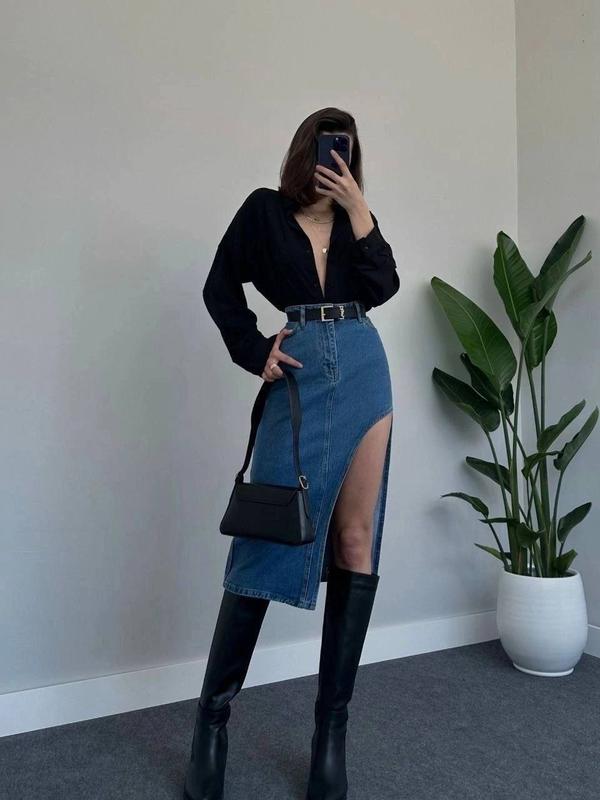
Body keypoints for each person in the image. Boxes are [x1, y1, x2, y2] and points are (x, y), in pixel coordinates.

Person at [183, 107, 400, 800]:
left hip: (364, 366)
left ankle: (329, 736)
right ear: (307, 150)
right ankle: (211, 723)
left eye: (350, 153)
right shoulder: (264, 211)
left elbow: (383, 288)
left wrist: (360, 211)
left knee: (356, 540)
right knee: (263, 538)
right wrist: (256, 351)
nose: (340, 160)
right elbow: (220, 288)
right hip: (300, 370)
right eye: (331, 147)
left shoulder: (357, 222)